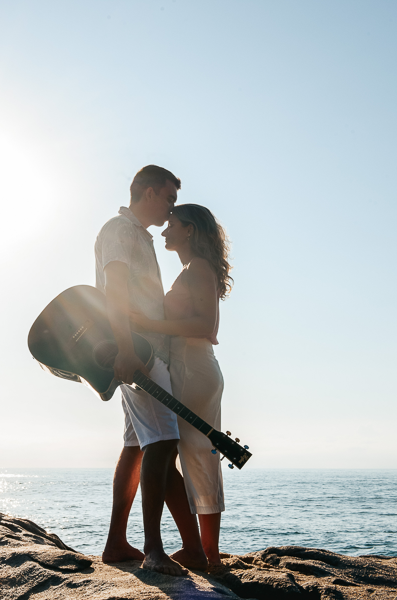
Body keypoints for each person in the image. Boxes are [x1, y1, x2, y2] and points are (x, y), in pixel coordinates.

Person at [95, 166, 208, 575]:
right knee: (162, 445)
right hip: (140, 353)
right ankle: (155, 551)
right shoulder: (120, 231)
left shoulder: (138, 235)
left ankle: (114, 543)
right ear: (146, 193)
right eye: (168, 199)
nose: (170, 208)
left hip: (142, 350)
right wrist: (127, 348)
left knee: (134, 448)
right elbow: (115, 290)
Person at [130, 203, 233, 567]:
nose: (164, 229)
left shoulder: (198, 269)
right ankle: (203, 551)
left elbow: (207, 326)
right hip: (187, 366)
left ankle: (208, 554)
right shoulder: (191, 270)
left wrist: (148, 322)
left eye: (171, 223)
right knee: (187, 453)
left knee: (197, 455)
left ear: (189, 230)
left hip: (194, 367)